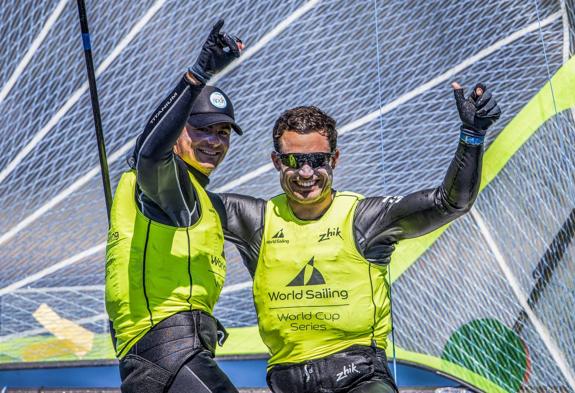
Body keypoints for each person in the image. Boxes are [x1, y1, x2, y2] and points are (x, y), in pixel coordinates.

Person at [218, 83, 500, 392]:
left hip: (359, 375)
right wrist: (194, 85)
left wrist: (472, 137)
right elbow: (168, 195)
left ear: (335, 159)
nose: (307, 173)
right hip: (288, 381)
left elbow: (450, 203)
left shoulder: (365, 218)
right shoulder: (254, 220)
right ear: (277, 162)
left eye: (318, 160)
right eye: (294, 161)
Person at [105, 20, 245, 392]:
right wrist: (197, 75)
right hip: (167, 353)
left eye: (223, 132)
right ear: (179, 130)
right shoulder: (164, 184)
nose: (214, 141)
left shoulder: (205, 200)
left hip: (182, 355)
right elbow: (149, 152)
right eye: (201, 129)